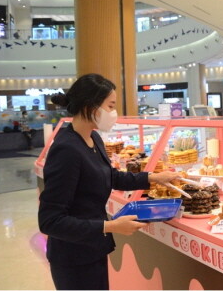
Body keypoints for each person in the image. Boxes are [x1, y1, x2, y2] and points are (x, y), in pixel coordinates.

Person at [38, 74, 181, 290]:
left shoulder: (93, 138)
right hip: (73, 258)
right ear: (91, 106)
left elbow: (110, 176)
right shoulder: (66, 149)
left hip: (92, 249)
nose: (114, 113)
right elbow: (51, 220)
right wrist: (110, 226)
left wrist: (153, 178)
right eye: (110, 105)